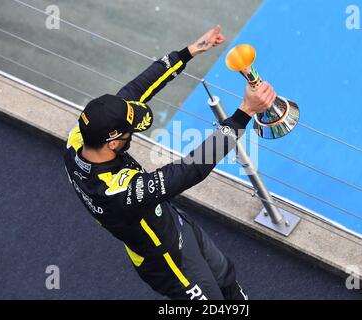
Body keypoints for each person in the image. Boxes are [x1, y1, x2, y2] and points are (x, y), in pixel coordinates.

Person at [64, 25, 277, 300]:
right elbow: (190, 169)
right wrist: (244, 114)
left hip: (172, 222)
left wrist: (189, 52)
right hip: (166, 261)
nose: (134, 131)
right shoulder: (117, 193)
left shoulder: (79, 139)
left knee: (226, 279)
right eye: (131, 130)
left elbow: (136, 89)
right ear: (113, 143)